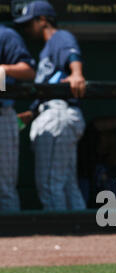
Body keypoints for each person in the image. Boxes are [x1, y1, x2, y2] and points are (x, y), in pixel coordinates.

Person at [15, 1, 86, 211]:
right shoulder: (46, 49)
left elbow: (72, 54)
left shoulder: (59, 37)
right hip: (54, 112)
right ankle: (81, 232)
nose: (26, 29)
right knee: (66, 184)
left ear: (43, 20)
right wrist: (33, 111)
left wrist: (76, 73)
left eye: (29, 23)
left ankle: (60, 234)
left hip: (58, 114)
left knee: (49, 183)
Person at [0, 24, 36, 211]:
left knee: (4, 186)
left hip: (2, 114)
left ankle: (13, 237)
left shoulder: (5, 35)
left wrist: (2, 69)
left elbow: (29, 70)